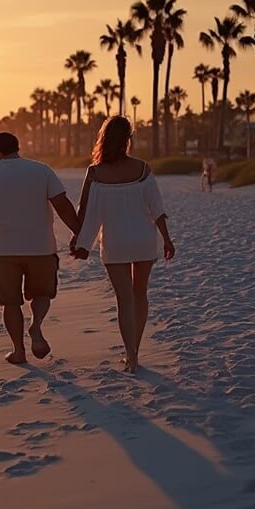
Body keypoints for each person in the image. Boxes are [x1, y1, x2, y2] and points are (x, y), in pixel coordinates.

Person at [70, 116, 175, 373]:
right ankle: (135, 351)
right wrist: (167, 238)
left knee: (124, 299)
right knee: (140, 294)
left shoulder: (95, 172)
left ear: (103, 138)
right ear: (128, 139)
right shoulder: (142, 169)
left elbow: (85, 211)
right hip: (143, 239)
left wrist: (80, 240)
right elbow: (157, 209)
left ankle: (131, 356)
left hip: (115, 242)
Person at [0, 131, 80, 365]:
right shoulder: (41, 170)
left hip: (5, 251)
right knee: (42, 293)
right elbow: (62, 205)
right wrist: (78, 231)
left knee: (10, 302)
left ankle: (18, 351)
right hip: (41, 247)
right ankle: (36, 326)